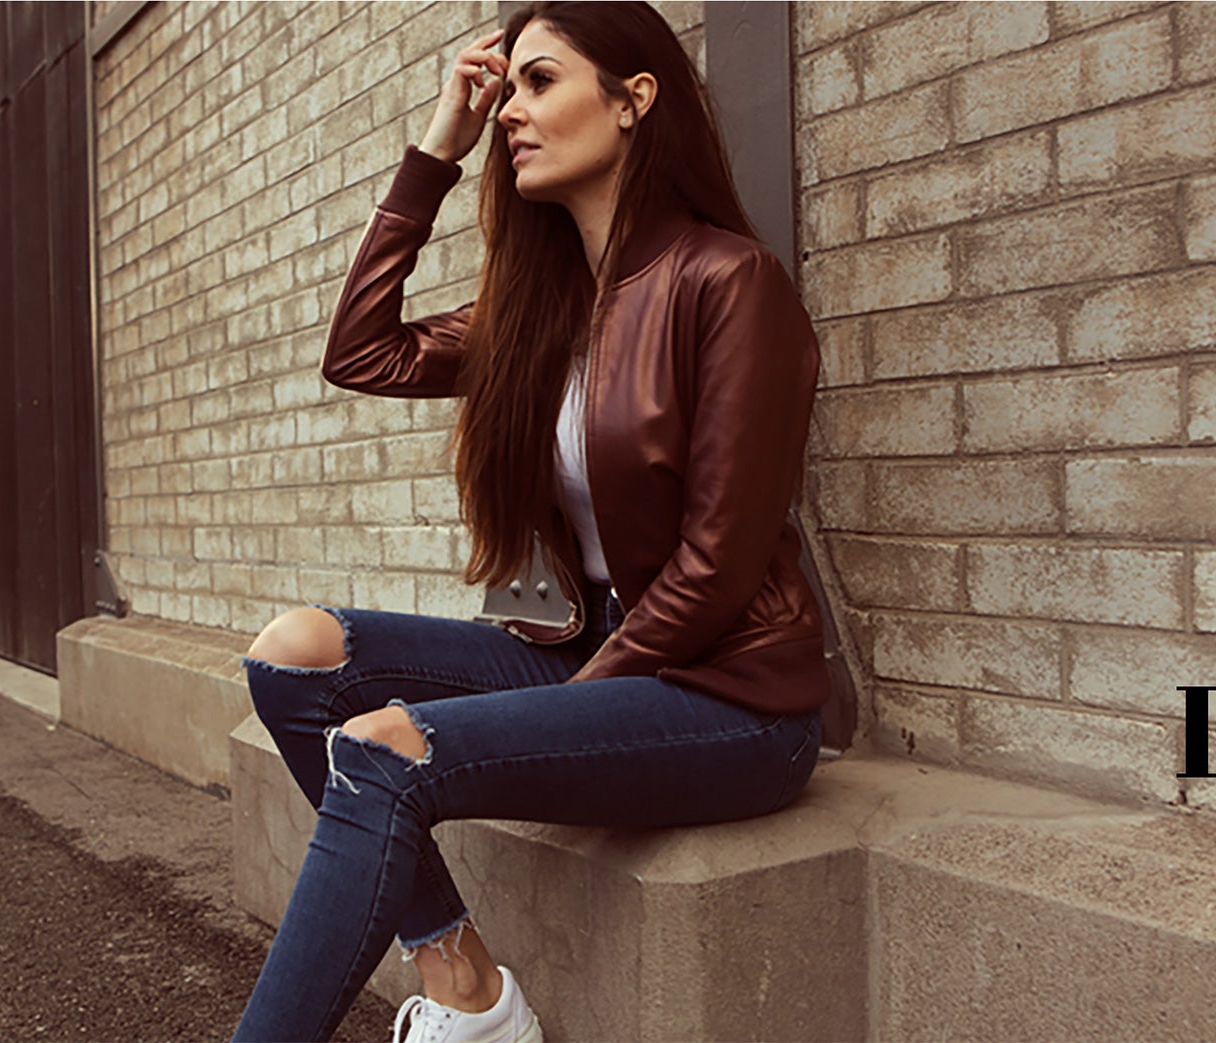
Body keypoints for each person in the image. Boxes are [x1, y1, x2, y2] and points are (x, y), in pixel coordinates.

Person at [231, 4, 829, 1040]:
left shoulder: (728, 282)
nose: (509, 110)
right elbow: (361, 352)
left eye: (540, 81)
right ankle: (466, 988)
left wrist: (561, 716)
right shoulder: (541, 312)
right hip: (588, 650)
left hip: (730, 698)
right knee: (294, 656)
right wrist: (437, 149)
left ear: (634, 99)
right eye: (506, 88)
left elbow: (718, 565)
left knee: (385, 749)